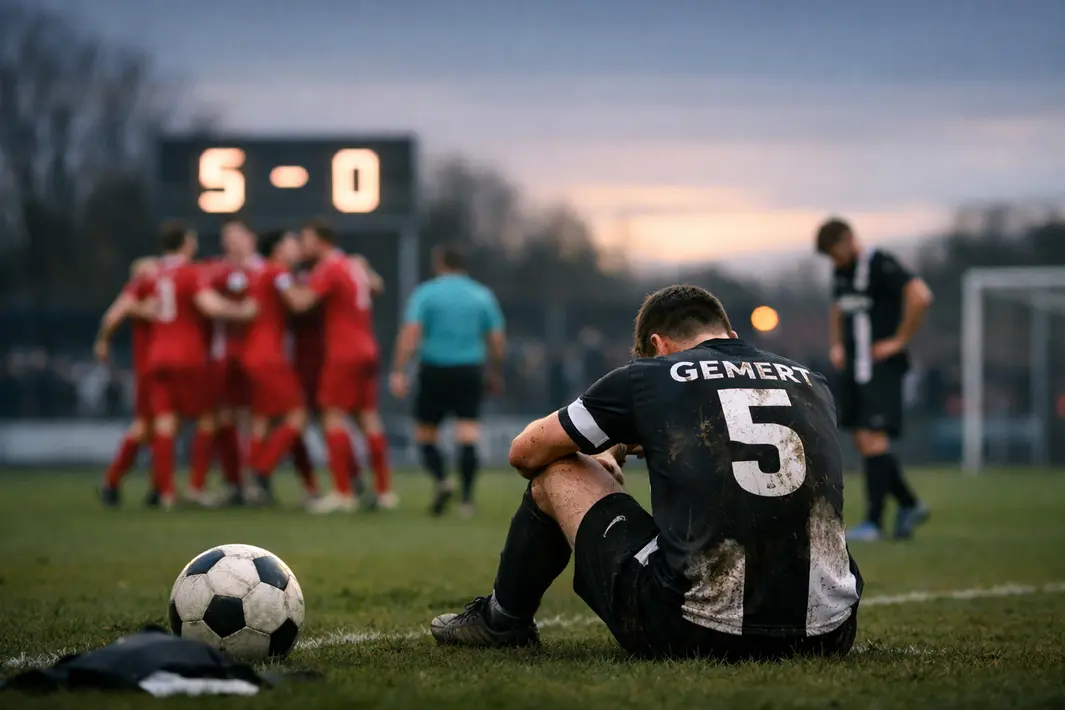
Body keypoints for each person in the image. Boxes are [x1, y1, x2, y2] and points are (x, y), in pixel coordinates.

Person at [429, 285, 861, 661]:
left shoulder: (649, 376)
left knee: (557, 468)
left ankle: (503, 619)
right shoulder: (810, 381)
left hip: (696, 629)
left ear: (659, 345)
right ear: (731, 335)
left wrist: (608, 453)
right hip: (830, 631)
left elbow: (525, 452)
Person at [816, 218, 934, 541]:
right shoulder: (842, 272)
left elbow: (920, 296)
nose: (834, 261)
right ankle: (909, 504)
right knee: (863, 440)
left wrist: (899, 339)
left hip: (880, 366)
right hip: (855, 367)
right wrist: (838, 343)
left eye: (834, 252)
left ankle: (873, 522)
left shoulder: (879, 263)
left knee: (874, 439)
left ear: (848, 239)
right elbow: (838, 309)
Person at [278, 219, 393, 513]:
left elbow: (301, 304)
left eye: (305, 238)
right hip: (367, 346)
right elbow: (378, 285)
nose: (303, 245)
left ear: (320, 240)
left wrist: (279, 279)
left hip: (343, 351)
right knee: (367, 418)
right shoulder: (352, 264)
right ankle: (384, 491)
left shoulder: (328, 266)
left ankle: (343, 493)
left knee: (332, 416)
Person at [141, 221, 257, 509]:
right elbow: (210, 305)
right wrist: (244, 311)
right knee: (212, 418)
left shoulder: (156, 273)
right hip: (192, 358)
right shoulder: (194, 273)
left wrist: (104, 339)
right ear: (187, 243)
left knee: (167, 423)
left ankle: (166, 492)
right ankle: (199, 487)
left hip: (158, 356)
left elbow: (126, 305)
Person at [389, 245, 506, 517]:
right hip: (469, 370)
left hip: (434, 370)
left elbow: (410, 333)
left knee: (425, 435)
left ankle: (443, 479)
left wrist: (398, 370)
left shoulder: (427, 293)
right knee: (467, 434)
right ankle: (466, 500)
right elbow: (497, 340)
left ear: (439, 263)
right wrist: (495, 371)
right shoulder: (481, 295)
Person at [241, 229, 317, 504]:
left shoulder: (265, 272)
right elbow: (297, 302)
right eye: (291, 242)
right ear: (277, 249)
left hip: (255, 354)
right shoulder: (278, 273)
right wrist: (320, 287)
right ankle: (261, 471)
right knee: (297, 417)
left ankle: (251, 486)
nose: (296, 247)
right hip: (269, 357)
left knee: (262, 422)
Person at [198, 218, 263, 503]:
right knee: (223, 418)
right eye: (227, 237)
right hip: (224, 357)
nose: (231, 242)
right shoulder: (216, 269)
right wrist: (240, 310)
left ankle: (255, 482)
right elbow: (205, 300)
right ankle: (233, 482)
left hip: (258, 357)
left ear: (251, 238)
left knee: (255, 419)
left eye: (237, 236)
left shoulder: (264, 269)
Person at [95, 257, 159, 506]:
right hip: (151, 369)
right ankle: (112, 481)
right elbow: (117, 312)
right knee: (149, 426)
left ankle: (156, 488)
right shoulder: (143, 285)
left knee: (155, 429)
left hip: (158, 367)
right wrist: (103, 340)